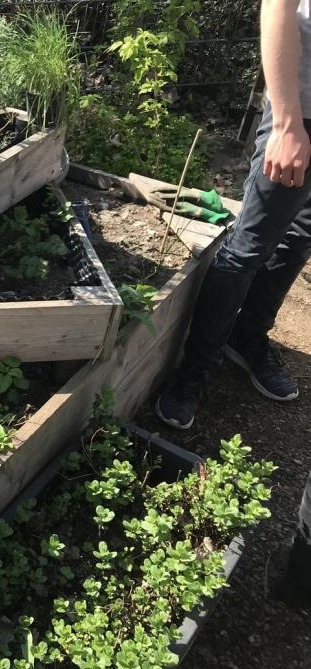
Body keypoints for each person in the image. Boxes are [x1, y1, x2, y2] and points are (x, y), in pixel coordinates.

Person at [156, 0, 311, 606]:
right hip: (300, 114)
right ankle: (196, 367)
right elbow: (278, 8)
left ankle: (248, 341)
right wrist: (289, 122)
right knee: (247, 247)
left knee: (299, 239)